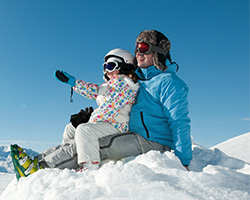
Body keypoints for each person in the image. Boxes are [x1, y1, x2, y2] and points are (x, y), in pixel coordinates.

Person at [10, 48, 139, 179]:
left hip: (117, 126)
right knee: (70, 129)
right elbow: (92, 90)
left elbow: (109, 108)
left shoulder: (124, 84)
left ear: (124, 66)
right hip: (107, 123)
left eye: (111, 66)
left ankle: (89, 165)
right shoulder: (109, 86)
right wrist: (73, 82)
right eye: (104, 67)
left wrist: (89, 121)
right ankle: (41, 160)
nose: (107, 70)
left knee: (84, 130)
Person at [98, 30, 192, 170]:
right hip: (132, 136)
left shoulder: (169, 82)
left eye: (143, 48)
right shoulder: (137, 81)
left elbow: (179, 122)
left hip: (154, 143)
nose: (138, 53)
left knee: (94, 144)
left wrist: (182, 161)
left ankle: (53, 169)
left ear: (158, 53)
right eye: (137, 49)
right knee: (80, 134)